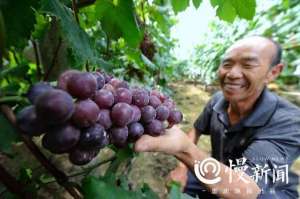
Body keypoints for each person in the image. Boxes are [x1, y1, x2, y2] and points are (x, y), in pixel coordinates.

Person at [134, 36, 300, 199]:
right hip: (219, 170)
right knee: (177, 188)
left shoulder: (288, 121)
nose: (232, 74)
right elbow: (196, 131)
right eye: (227, 64)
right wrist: (182, 168)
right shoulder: (218, 100)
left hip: (262, 191)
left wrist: (185, 150)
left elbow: (246, 189)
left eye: (248, 64)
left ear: (273, 72)